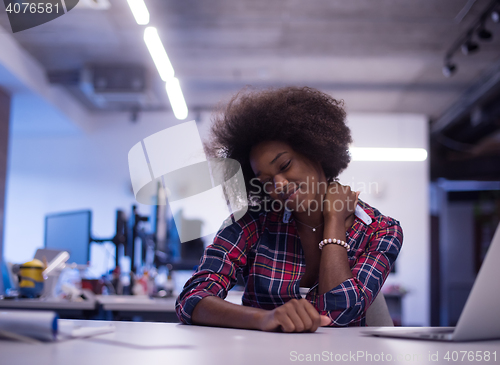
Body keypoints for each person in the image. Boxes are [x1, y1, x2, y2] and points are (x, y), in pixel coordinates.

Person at [175, 86, 403, 332]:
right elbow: (192, 299)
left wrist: (334, 222)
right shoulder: (252, 223)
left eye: (284, 165)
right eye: (266, 180)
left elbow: (337, 315)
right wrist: (263, 318)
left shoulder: (381, 231)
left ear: (315, 152)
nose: (279, 185)